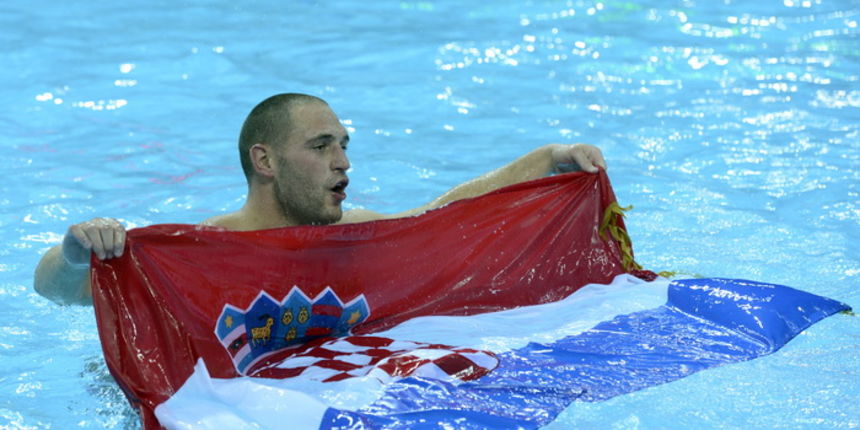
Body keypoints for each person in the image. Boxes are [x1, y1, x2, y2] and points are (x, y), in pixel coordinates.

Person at [33, 93, 607, 306]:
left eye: (344, 145)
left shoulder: (351, 238)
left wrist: (548, 161)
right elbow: (58, 290)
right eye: (321, 145)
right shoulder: (205, 249)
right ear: (266, 162)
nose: (344, 162)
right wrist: (78, 251)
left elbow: (446, 214)